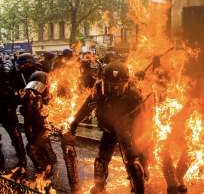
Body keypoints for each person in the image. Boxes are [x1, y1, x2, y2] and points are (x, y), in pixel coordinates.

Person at [70, 61, 146, 194]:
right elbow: (88, 105)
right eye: (111, 84)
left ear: (126, 82)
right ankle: (99, 187)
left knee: (134, 160)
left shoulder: (134, 93)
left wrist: (134, 127)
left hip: (127, 131)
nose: (115, 88)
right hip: (109, 131)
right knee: (100, 162)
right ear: (104, 80)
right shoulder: (99, 90)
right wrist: (75, 121)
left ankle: (140, 181)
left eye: (119, 84)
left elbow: (142, 114)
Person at [20, 71, 57, 178]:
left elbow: (44, 110)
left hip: (42, 126)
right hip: (31, 124)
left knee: (33, 147)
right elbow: (25, 110)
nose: (35, 88)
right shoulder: (30, 94)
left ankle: (45, 168)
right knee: (36, 144)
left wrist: (37, 102)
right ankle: (45, 165)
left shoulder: (46, 96)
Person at [0, 58, 27, 169]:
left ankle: (22, 160)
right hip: (6, 105)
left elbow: (17, 88)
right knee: (13, 131)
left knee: (14, 132)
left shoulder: (6, 69)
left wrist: (12, 102)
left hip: (6, 106)